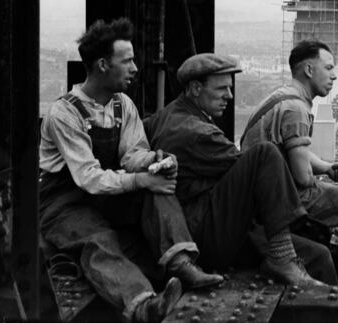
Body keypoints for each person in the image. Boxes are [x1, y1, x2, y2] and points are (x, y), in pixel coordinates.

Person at [39, 18, 221, 323]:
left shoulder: (122, 104)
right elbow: (89, 178)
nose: (135, 68)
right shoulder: (64, 113)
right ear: (102, 65)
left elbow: (130, 154)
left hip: (104, 196)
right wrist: (140, 179)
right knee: (97, 241)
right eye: (127, 61)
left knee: (157, 187)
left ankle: (181, 261)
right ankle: (143, 305)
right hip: (64, 205)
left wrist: (154, 161)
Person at [144, 53, 331, 286]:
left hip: (192, 225)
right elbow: (252, 172)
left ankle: (286, 253)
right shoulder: (195, 131)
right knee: (265, 154)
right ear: (195, 88)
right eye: (222, 89)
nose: (229, 96)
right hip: (203, 233)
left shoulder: (166, 115)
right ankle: (283, 257)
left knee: (318, 253)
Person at [240, 40, 338, 227]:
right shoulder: (296, 109)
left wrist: (327, 168)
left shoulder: (280, 97)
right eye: (328, 68)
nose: (333, 76)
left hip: (258, 193)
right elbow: (304, 179)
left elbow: (293, 151)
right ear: (309, 70)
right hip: (277, 201)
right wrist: (316, 177)